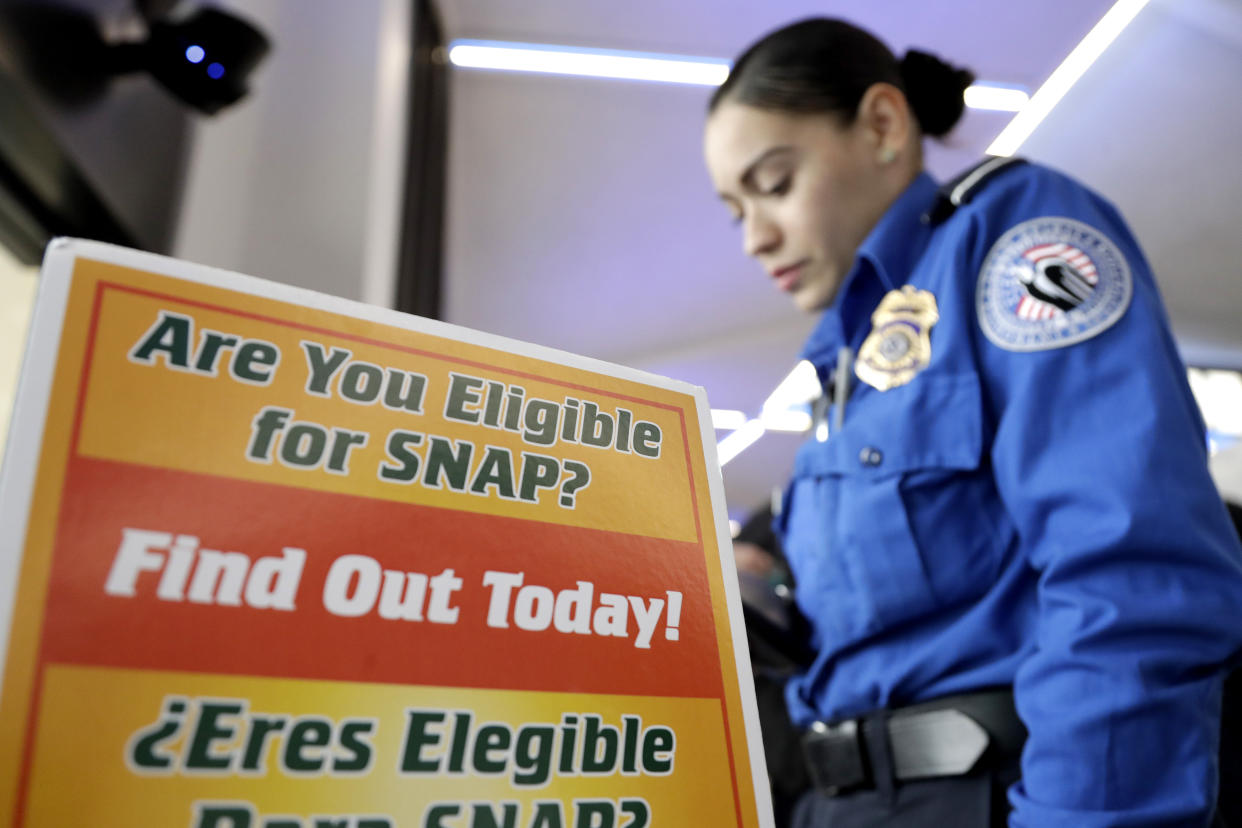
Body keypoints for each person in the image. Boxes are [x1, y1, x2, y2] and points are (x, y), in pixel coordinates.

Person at [702, 17, 1242, 828]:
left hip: (977, 795)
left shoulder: (1012, 243)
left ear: (884, 125)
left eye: (774, 184)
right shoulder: (843, 363)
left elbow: (1128, 574)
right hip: (837, 804)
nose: (755, 237)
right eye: (734, 209)